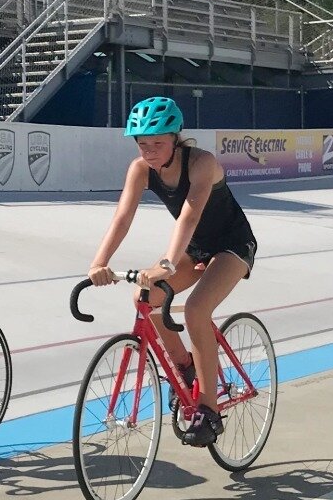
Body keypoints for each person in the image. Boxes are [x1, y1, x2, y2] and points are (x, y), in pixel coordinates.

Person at [87, 96, 257, 448]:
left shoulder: (202, 163)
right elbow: (122, 217)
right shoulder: (140, 169)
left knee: (196, 310)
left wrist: (165, 263)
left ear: (176, 137)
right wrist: (98, 262)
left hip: (231, 245)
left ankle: (208, 409)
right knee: (145, 297)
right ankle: (185, 367)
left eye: (157, 143)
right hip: (194, 248)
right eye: (142, 144)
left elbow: (189, 216)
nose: (149, 151)